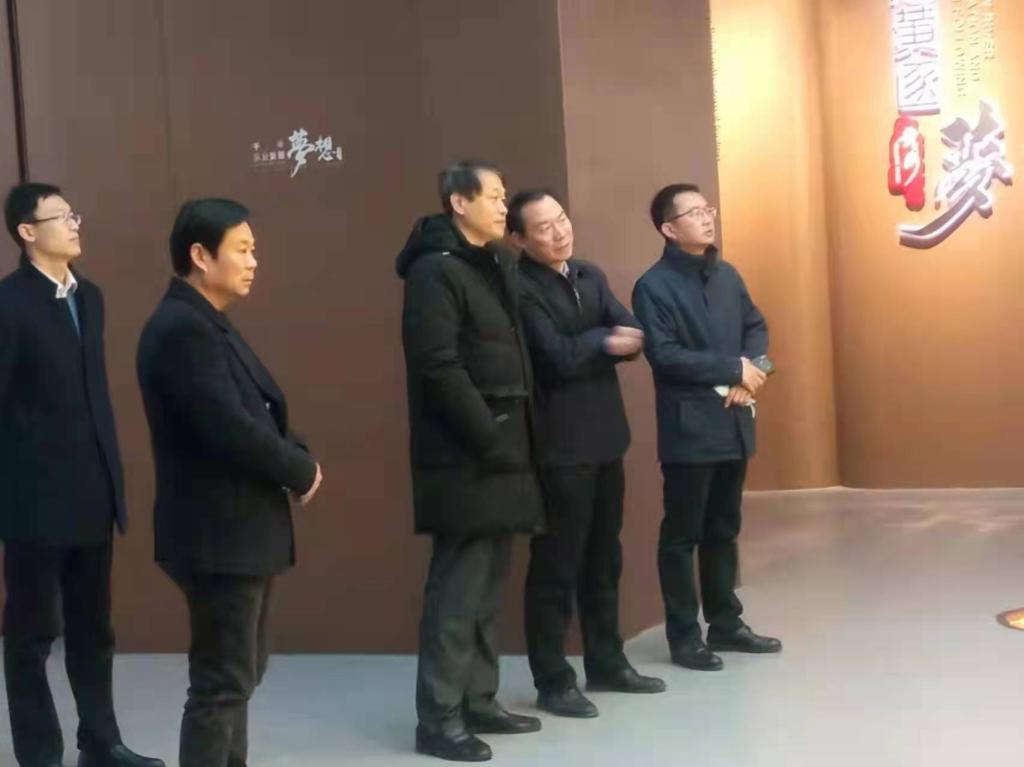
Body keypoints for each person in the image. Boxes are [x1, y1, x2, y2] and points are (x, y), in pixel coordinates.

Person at [136, 198, 323, 767]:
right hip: (218, 533)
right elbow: (228, 427)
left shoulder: (205, 321)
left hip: (239, 531)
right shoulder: (182, 329)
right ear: (200, 255)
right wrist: (298, 469)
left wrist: (298, 454)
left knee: (238, 675)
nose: (253, 261)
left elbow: (259, 412)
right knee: (222, 682)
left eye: (253, 249)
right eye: (242, 249)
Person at [0, 182, 164, 767]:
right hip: (33, 502)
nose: (75, 224)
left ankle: (101, 743)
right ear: (27, 232)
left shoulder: (89, 297)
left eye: (75, 215)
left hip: (93, 492)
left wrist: (111, 481)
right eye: (61, 217)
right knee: (30, 635)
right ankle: (39, 754)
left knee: (94, 630)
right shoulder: (8, 303)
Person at [396, 161, 545, 762]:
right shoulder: (435, 270)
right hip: (465, 454)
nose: (504, 207)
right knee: (456, 593)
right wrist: (488, 434)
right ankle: (439, 718)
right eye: (494, 196)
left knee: (488, 586)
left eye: (505, 197)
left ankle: (479, 700)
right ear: (459, 202)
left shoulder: (493, 263)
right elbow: (438, 366)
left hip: (504, 449)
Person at [508, 189, 665, 718]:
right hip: (561, 446)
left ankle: (607, 661)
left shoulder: (589, 274)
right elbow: (555, 357)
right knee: (557, 564)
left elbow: (632, 330)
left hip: (606, 438)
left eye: (562, 220)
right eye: (544, 227)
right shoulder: (520, 288)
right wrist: (601, 342)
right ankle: (553, 679)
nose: (559, 232)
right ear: (519, 239)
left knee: (604, 558)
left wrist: (598, 343)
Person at [632, 183, 782, 672]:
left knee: (724, 528)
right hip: (690, 430)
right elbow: (665, 356)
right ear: (668, 229)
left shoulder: (727, 275)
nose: (706, 217)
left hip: (734, 420)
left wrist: (752, 372)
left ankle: (726, 623)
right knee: (682, 535)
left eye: (707, 209)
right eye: (694, 212)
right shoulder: (653, 286)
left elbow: (756, 327)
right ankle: (684, 635)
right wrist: (732, 369)